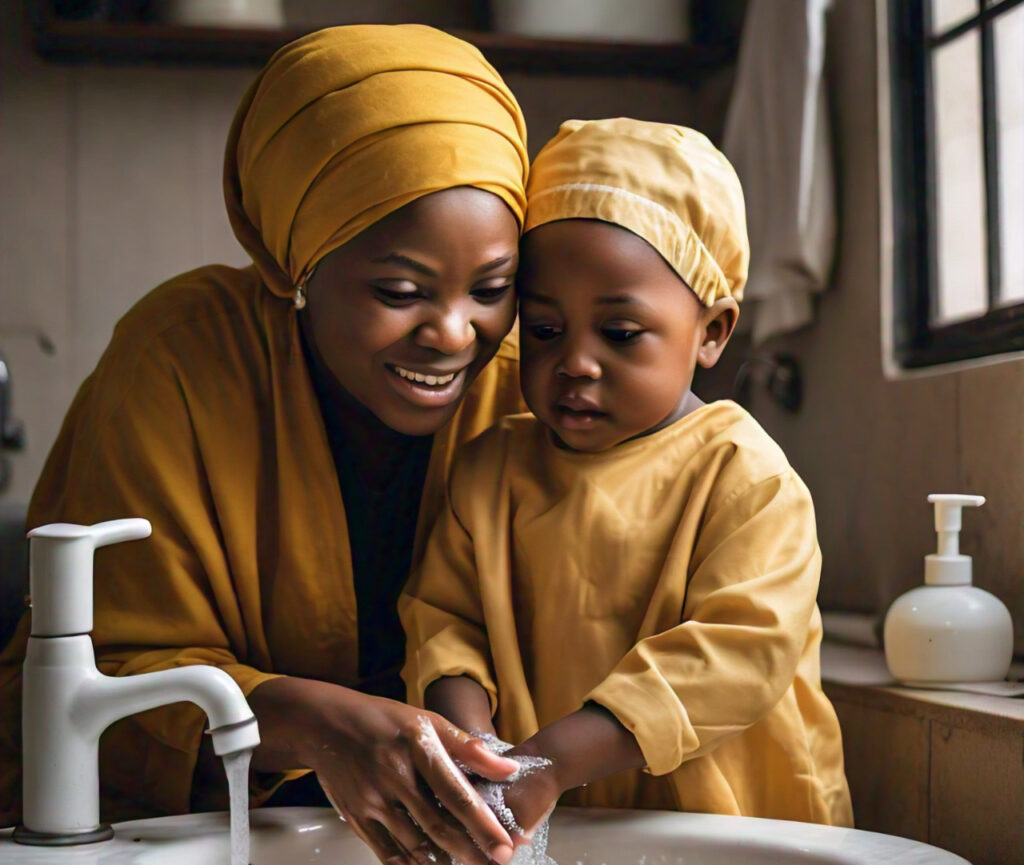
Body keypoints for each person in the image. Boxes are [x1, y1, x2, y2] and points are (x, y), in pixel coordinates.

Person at [0, 24, 534, 865]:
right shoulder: (179, 359)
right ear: (296, 262)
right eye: (400, 289)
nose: (454, 333)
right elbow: (88, 697)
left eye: (494, 289)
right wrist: (308, 721)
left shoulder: (532, 386)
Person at [400, 118, 854, 842]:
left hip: (726, 827)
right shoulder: (490, 471)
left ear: (710, 331)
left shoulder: (742, 475)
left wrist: (549, 761)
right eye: (545, 330)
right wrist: (479, 753)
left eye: (619, 333)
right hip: (553, 819)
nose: (575, 362)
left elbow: (739, 651)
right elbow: (446, 624)